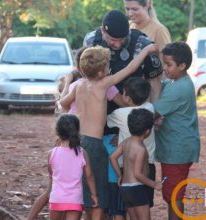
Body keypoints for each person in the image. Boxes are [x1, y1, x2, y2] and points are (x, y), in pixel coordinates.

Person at [60, 44, 158, 220]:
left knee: (83, 189)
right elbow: (131, 68)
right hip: (94, 144)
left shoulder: (78, 85)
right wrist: (146, 50)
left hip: (77, 141)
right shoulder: (103, 84)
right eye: (107, 66)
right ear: (100, 73)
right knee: (98, 192)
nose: (109, 69)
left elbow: (63, 104)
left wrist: (67, 82)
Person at [152, 41, 201, 220]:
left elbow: (153, 112)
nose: (165, 68)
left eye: (169, 65)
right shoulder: (177, 82)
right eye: (164, 63)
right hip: (176, 148)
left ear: (182, 65)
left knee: (174, 196)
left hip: (177, 149)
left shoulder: (178, 88)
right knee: (172, 194)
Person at [27, 114, 98, 220]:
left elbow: (52, 174)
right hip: (75, 199)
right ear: (77, 131)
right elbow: (89, 176)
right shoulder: (82, 153)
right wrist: (94, 195)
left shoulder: (52, 153)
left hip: (57, 198)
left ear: (57, 132)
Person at [83, 9, 163, 104]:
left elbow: (154, 81)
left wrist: (153, 112)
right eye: (113, 39)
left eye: (122, 40)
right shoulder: (91, 41)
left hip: (133, 109)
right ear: (102, 31)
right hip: (99, 106)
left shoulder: (143, 44)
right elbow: (84, 76)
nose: (117, 45)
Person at [107, 77, 157, 209]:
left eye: (123, 92)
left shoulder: (119, 114)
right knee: (145, 206)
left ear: (127, 98)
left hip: (127, 168)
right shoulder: (150, 108)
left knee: (130, 208)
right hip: (148, 166)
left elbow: (106, 121)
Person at [110, 108, 162, 220]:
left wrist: (120, 175)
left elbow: (113, 157)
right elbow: (137, 174)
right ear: (148, 131)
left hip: (125, 188)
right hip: (137, 188)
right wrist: (154, 184)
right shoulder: (140, 149)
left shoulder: (126, 142)